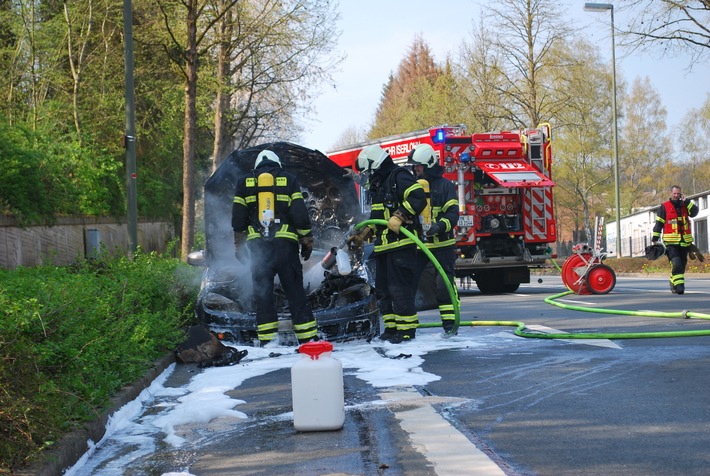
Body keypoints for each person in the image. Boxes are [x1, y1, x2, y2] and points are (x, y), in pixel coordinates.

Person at [232, 149, 318, 345]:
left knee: (263, 295)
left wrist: (239, 246)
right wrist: (307, 241)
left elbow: (238, 218)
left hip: (258, 249)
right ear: (278, 164)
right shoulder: (289, 180)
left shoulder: (244, 182)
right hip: (285, 248)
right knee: (295, 292)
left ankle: (268, 341)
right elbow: (299, 214)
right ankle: (308, 339)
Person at [346, 145, 427, 344]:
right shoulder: (380, 184)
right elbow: (378, 219)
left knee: (399, 289)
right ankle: (391, 329)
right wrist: (363, 234)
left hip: (401, 245)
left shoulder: (398, 176)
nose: (369, 175)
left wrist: (400, 215)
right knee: (383, 290)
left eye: (369, 170)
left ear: (375, 164)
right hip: (383, 248)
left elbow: (418, 198)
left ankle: (406, 330)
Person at [407, 144, 460, 334]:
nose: (415, 169)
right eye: (414, 166)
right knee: (408, 286)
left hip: (442, 246)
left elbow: (453, 214)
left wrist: (438, 227)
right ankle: (407, 328)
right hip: (419, 247)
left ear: (428, 164)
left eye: (418, 166)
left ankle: (450, 327)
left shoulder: (445, 186)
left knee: (443, 288)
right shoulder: (413, 186)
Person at [651, 185, 698, 295]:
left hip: (684, 242)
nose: (676, 195)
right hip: (670, 242)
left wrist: (687, 201)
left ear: (681, 194)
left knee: (682, 264)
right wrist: (655, 238)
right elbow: (659, 223)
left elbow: (695, 212)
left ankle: (673, 281)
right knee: (676, 264)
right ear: (671, 193)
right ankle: (680, 287)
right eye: (674, 193)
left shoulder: (685, 205)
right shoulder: (664, 207)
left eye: (678, 194)